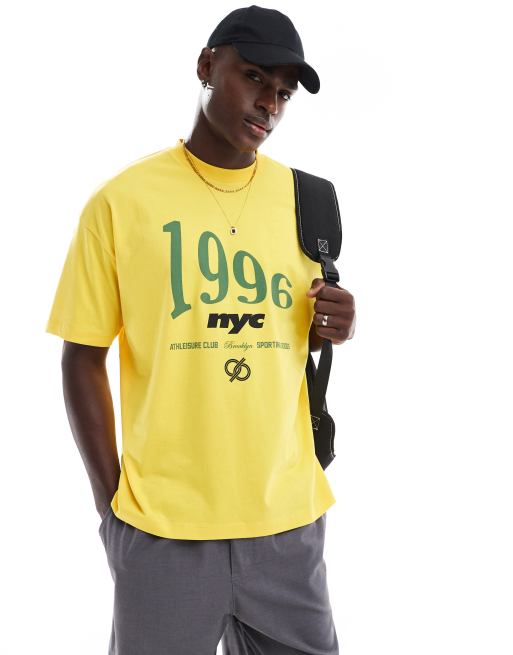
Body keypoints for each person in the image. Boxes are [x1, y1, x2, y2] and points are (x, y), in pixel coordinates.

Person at [46, 5, 356, 654]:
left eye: (283, 92)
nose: (268, 103)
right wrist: (112, 508)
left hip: (288, 524)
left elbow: (291, 338)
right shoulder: (122, 203)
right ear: (206, 65)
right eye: (254, 77)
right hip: (163, 529)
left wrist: (334, 323)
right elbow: (82, 355)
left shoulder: (310, 201)